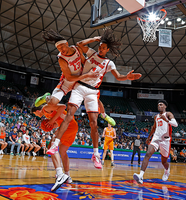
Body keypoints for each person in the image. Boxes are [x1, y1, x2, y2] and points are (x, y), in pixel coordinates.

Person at [47, 29, 141, 169]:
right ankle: (55, 145)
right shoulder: (91, 53)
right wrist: (96, 38)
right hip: (79, 87)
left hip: (92, 92)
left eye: (103, 48)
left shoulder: (109, 63)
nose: (101, 49)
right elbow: (79, 43)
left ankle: (95, 154)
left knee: (94, 124)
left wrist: (127, 77)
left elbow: (118, 77)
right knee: (69, 116)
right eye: (100, 47)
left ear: (108, 49)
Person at [35, 29, 116, 126]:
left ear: (67, 43)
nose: (62, 50)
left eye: (62, 47)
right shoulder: (61, 59)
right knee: (53, 102)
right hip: (67, 82)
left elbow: (83, 61)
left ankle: (104, 115)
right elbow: (69, 77)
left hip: (81, 81)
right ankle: (46, 97)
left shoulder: (76, 49)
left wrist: (94, 65)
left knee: (96, 100)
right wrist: (87, 75)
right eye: (59, 49)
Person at [32, 102, 78, 191]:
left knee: (52, 145)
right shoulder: (47, 114)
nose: (37, 116)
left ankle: (60, 174)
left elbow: (63, 107)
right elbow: (61, 118)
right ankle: (67, 176)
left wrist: (52, 121)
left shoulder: (46, 108)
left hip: (68, 127)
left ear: (38, 110)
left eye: (35, 114)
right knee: (62, 151)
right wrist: (53, 125)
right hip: (72, 126)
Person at [133, 100, 178, 184]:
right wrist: (149, 137)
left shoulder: (168, 114)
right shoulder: (156, 116)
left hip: (165, 140)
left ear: (165, 106)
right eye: (158, 105)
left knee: (164, 162)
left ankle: (167, 170)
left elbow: (175, 124)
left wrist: (167, 120)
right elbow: (154, 127)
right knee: (148, 154)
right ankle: (140, 176)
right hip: (156, 138)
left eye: (161, 105)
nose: (159, 106)